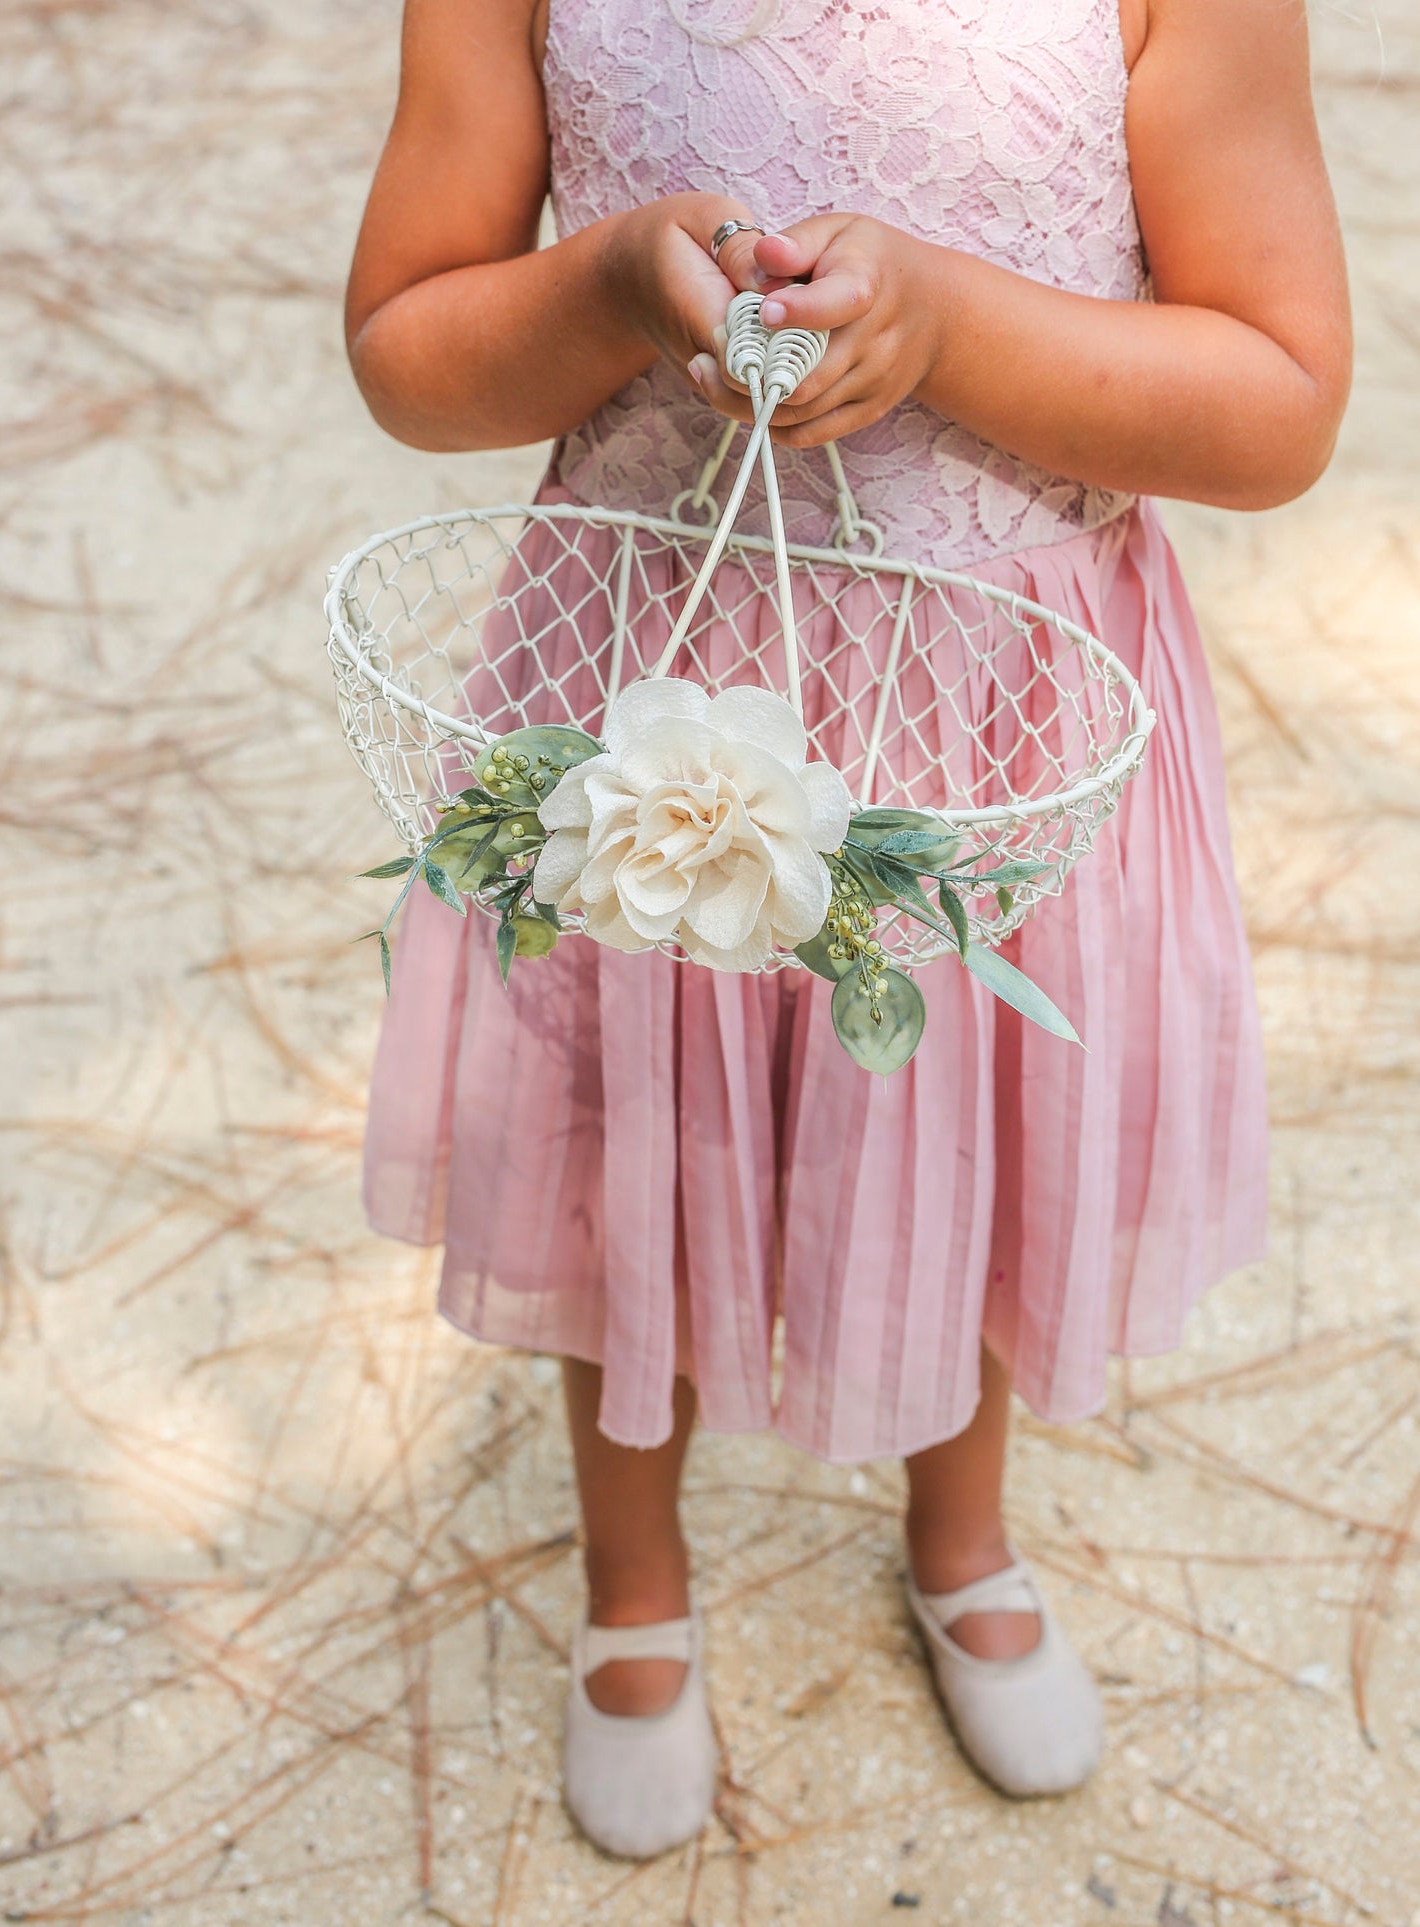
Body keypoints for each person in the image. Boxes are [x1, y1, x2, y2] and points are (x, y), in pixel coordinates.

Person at [344, 0, 1350, 1860]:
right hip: (649, 666)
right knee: (624, 1115)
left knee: (962, 1113)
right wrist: (617, 295)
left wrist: (955, 328)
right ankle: (635, 1590)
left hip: (999, 694)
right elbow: (408, 350)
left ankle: (958, 1535)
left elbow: (1277, 399)